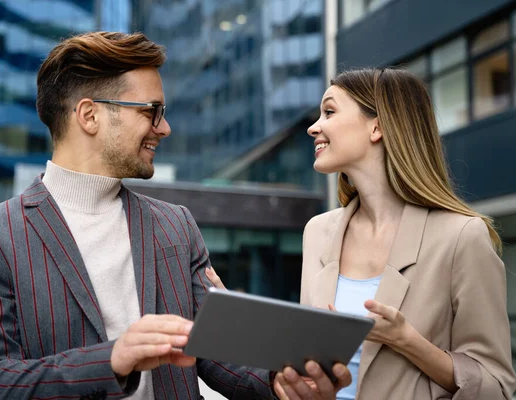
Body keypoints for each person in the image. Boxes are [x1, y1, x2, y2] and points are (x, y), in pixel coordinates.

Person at [0, 31, 352, 400]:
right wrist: (112, 360)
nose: (165, 127)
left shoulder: (175, 224)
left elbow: (213, 352)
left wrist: (283, 381)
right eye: (151, 111)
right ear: (90, 115)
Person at [208, 68, 516, 400]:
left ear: (377, 126)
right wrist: (248, 327)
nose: (314, 127)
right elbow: (310, 367)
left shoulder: (461, 236)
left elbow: (495, 385)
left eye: (329, 111)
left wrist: (406, 340)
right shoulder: (318, 232)